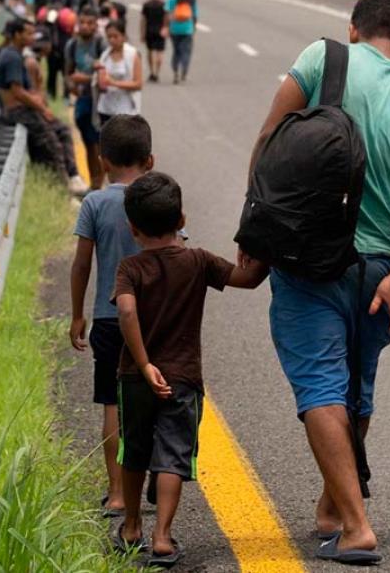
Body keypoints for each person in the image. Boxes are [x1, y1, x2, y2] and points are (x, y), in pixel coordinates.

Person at [247, 0, 390, 564]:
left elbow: (268, 139)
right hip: (378, 269)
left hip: (306, 256)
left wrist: (256, 234)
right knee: (356, 386)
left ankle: (356, 527)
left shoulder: (322, 58)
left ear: (355, 29)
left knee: (319, 385)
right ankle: (333, 507)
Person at [113, 171, 267, 567]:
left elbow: (126, 309)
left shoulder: (130, 268)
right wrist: (263, 246)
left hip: (135, 376)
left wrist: (145, 363)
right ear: (181, 220)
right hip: (183, 379)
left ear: (133, 227)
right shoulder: (197, 261)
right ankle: (163, 537)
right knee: (172, 456)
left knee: (134, 451)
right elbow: (247, 279)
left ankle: (131, 527)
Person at [70, 114, 154, 521]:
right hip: (153, 320)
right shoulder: (158, 197)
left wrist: (75, 315)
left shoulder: (95, 202)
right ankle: (154, 480)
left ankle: (118, 493)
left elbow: (81, 265)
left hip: (107, 318)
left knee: (112, 402)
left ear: (102, 161)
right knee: (155, 399)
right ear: (150, 161)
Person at [0, 18, 86, 195]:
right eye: (28, 33)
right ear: (16, 35)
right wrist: (42, 109)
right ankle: (64, 191)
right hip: (16, 111)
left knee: (62, 131)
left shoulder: (17, 55)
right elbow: (18, 92)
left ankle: (73, 176)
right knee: (52, 145)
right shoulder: (12, 56)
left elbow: (30, 89)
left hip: (25, 109)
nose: (32, 37)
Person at [65, 7, 110, 187]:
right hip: (83, 100)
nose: (85, 26)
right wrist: (72, 86)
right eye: (82, 22)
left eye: (89, 23)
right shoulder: (72, 45)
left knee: (100, 145)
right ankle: (94, 183)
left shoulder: (102, 45)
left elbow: (107, 76)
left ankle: (100, 184)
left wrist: (83, 78)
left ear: (96, 25)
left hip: (101, 102)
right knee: (88, 144)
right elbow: (68, 73)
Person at [97, 20, 144, 128]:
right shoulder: (105, 55)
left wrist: (114, 83)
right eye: (109, 37)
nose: (112, 40)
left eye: (115, 36)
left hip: (126, 110)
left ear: (123, 36)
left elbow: (138, 84)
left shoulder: (133, 55)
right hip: (106, 108)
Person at [165, 0, 198, 84]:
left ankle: (175, 73)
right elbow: (195, 16)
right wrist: (194, 27)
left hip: (174, 28)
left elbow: (167, 13)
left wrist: (167, 26)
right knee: (186, 52)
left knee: (176, 51)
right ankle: (184, 71)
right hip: (187, 29)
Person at [140, 0, 168, 82]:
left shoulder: (146, 4)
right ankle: (157, 72)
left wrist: (142, 33)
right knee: (160, 52)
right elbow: (166, 17)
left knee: (150, 51)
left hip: (149, 30)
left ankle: (152, 72)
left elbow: (143, 20)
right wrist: (165, 28)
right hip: (160, 30)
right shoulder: (163, 4)